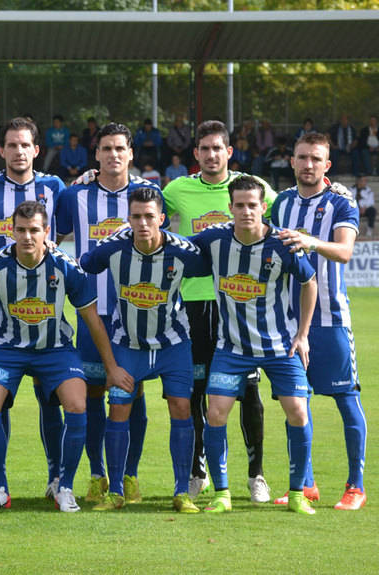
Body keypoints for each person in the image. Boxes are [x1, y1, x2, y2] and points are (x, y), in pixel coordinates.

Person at [0, 201, 132, 513]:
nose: (27, 236)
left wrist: (112, 368)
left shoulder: (65, 266)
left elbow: (91, 319)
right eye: (21, 230)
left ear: (46, 232)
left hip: (55, 348)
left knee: (77, 403)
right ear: (11, 231)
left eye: (34, 230)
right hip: (6, 348)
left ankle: (65, 486)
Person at [162, 120, 277, 503]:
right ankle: (199, 470)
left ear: (230, 152)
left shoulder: (250, 186)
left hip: (240, 305)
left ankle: (256, 474)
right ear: (195, 154)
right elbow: (139, 205)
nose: (211, 155)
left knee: (247, 389)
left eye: (218, 148)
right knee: (196, 388)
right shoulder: (178, 188)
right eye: (204, 148)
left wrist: (333, 187)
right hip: (193, 304)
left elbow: (291, 202)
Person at [193, 175, 318, 515]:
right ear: (229, 208)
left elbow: (309, 283)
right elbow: (171, 244)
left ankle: (296, 494)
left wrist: (302, 334)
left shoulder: (282, 243)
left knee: (298, 410)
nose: (246, 211)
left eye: (253, 205)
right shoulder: (214, 240)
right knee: (216, 413)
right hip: (231, 348)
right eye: (240, 205)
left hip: (279, 347)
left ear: (264, 208)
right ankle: (222, 494)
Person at [56, 122, 166, 505]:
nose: (113, 155)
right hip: (92, 313)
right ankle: (97, 475)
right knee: (91, 394)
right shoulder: (76, 195)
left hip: (137, 313)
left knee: (131, 395)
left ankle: (129, 475)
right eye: (106, 148)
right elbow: (51, 243)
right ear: (96, 154)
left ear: (131, 153)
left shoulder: (150, 195)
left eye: (120, 148)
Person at [80, 187, 208, 512]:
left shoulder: (183, 252)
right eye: (136, 216)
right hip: (128, 346)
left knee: (181, 408)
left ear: (162, 219)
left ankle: (181, 492)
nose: (143, 223)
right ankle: (117, 491)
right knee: (118, 409)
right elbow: (86, 263)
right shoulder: (113, 249)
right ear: (128, 219)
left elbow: (208, 264)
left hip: (173, 345)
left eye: (150, 216)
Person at [0, 117, 66, 498]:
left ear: (36, 150)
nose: (19, 151)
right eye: (12, 145)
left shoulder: (56, 187)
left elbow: (65, 233)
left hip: (46, 307)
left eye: (25, 145)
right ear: (2, 150)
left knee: (50, 395)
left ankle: (56, 477)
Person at [272, 132, 368, 510]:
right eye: (301, 158)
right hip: (288, 325)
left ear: (326, 165)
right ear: (292, 161)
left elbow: (344, 252)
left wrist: (310, 242)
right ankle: (304, 485)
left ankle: (355, 486)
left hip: (331, 323)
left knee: (345, 400)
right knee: (296, 403)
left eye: (315, 159)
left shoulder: (340, 203)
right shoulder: (279, 204)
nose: (307, 164)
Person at [352, 174, 376, 238]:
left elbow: (371, 202)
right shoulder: (351, 190)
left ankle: (370, 229)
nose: (364, 182)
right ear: (358, 181)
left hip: (365, 209)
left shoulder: (369, 190)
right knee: (349, 212)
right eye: (362, 180)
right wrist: (357, 208)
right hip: (355, 209)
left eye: (365, 181)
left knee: (372, 210)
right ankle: (352, 231)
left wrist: (364, 208)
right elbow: (350, 200)